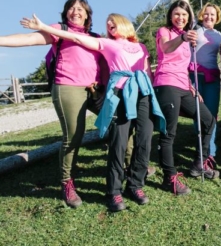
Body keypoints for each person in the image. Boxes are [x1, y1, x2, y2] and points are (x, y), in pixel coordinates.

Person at [21, 13, 165, 212]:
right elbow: (76, 37)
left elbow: (148, 72)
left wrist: (152, 96)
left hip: (143, 93)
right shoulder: (105, 42)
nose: (109, 24)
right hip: (120, 93)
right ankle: (114, 192)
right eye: (107, 23)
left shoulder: (141, 47)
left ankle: (136, 186)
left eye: (113, 21)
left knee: (144, 140)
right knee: (119, 142)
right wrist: (45, 26)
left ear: (123, 24)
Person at [0, 0, 103, 208]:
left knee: (121, 120)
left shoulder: (94, 36)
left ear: (87, 14)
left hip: (94, 88)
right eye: (71, 8)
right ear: (66, 13)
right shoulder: (59, 30)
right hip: (68, 87)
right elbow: (28, 39)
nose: (76, 11)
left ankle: (132, 166)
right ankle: (67, 183)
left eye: (80, 9)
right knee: (74, 135)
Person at [153, 0, 219, 196]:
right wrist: (181, 37)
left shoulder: (188, 36)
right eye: (176, 14)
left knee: (209, 120)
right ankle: (169, 178)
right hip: (167, 84)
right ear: (170, 15)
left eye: (184, 15)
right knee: (169, 133)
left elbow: (183, 65)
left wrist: (192, 87)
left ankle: (200, 162)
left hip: (184, 86)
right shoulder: (165, 32)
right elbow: (166, 49)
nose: (180, 17)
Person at [175, 0, 221, 168]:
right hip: (194, 76)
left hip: (212, 79)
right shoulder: (195, 28)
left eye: (213, 14)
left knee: (211, 115)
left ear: (217, 17)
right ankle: (200, 150)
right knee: (198, 114)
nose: (209, 16)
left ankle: (209, 153)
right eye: (206, 13)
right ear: (202, 15)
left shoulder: (220, 36)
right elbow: (185, 4)